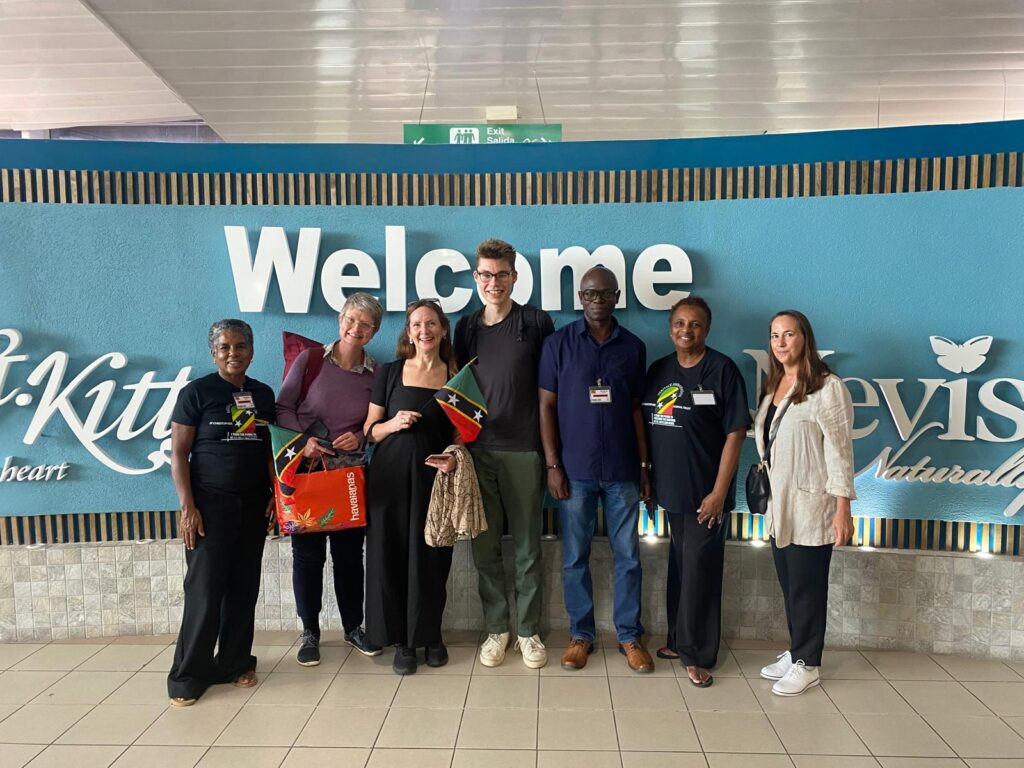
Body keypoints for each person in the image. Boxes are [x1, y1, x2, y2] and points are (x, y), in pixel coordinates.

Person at [538, 266, 655, 674]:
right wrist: (553, 465)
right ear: (580, 298)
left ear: (617, 296)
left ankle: (628, 636)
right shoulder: (558, 344)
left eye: (604, 293)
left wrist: (643, 466)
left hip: (623, 469)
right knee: (575, 557)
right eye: (589, 294)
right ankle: (580, 636)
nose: (597, 300)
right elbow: (546, 407)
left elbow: (638, 410)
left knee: (629, 557)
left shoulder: (634, 347)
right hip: (575, 471)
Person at [454, 238, 555, 670]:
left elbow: (550, 392)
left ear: (514, 276)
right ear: (476, 277)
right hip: (479, 453)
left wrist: (552, 455)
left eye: (501, 274)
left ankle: (529, 632)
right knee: (485, 547)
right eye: (485, 274)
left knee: (529, 547)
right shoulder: (466, 327)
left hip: (524, 451)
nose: (493, 282)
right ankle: (498, 629)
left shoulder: (535, 322)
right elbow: (457, 389)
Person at [167, 319, 276, 706]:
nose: (234, 353)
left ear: (251, 349)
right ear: (214, 352)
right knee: (205, 590)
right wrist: (188, 507)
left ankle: (234, 663)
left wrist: (277, 494)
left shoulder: (262, 394)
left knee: (243, 589)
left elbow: (269, 451)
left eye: (241, 346)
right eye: (225, 347)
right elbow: (179, 453)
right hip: (209, 506)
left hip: (252, 505)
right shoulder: (196, 393)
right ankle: (187, 676)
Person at [642, 297, 750, 687]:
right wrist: (649, 480)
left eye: (696, 325)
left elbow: (736, 433)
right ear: (670, 327)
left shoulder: (722, 370)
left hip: (707, 496)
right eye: (680, 324)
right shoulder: (658, 371)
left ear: (707, 329)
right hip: (671, 491)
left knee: (701, 571)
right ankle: (676, 639)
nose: (686, 331)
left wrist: (719, 492)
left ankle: (698, 653)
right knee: (681, 565)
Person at [276, 293, 385, 665]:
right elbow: (282, 407)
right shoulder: (310, 361)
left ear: (374, 333)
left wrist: (362, 435)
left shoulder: (377, 374)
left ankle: (354, 628)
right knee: (307, 559)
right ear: (340, 321)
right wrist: (303, 442)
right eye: (351, 320)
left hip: (349, 478)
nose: (356, 328)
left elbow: (375, 423)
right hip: (306, 474)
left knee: (349, 557)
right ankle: (310, 632)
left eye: (365, 324)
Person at [753, 309, 856, 696]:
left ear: (805, 338)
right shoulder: (775, 384)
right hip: (780, 506)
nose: (781, 343)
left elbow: (840, 452)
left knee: (807, 587)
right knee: (790, 583)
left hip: (814, 505)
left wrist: (843, 508)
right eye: (775, 335)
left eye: (789, 334)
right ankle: (796, 650)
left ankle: (809, 663)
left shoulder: (828, 388)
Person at [363, 299, 459, 675]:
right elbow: (369, 432)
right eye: (417, 324)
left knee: (434, 558)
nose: (424, 330)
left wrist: (453, 457)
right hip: (388, 481)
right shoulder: (388, 372)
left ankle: (431, 635)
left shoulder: (456, 375)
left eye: (431, 323)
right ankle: (402, 640)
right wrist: (393, 423)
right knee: (393, 557)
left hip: (435, 482)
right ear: (408, 331)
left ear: (443, 329)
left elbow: (461, 434)